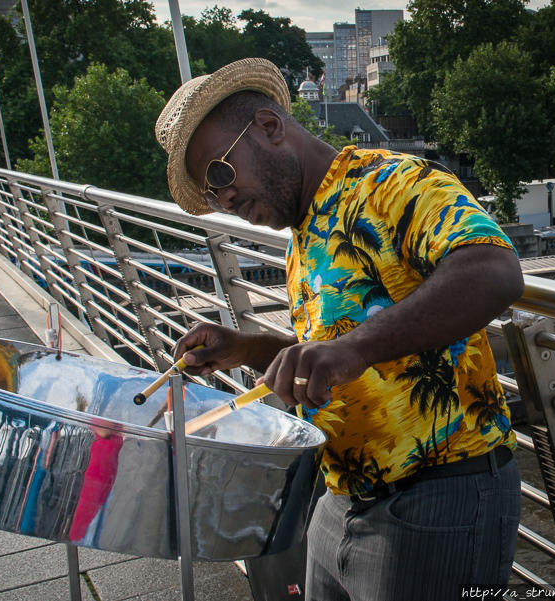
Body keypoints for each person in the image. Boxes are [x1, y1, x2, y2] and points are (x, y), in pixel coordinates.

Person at [156, 58, 524, 601]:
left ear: (269, 126)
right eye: (213, 196)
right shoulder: (302, 234)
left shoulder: (391, 183)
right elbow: (332, 356)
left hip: (438, 497)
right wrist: (248, 348)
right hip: (342, 497)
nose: (225, 200)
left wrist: (354, 348)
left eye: (219, 174)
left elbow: (494, 270)